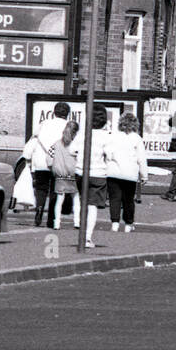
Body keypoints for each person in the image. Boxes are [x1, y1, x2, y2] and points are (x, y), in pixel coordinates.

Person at [73, 104, 112, 246]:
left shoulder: (82, 134)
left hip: (81, 171)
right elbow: (110, 155)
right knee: (93, 206)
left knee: (81, 199)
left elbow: (72, 150)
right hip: (98, 173)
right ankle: (87, 237)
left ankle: (79, 227)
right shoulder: (106, 136)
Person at [106, 112, 149, 233]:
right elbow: (141, 158)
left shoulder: (113, 136)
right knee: (128, 199)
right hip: (130, 173)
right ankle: (128, 224)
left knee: (114, 198)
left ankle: (114, 222)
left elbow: (108, 153)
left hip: (113, 172)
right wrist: (144, 175)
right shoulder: (137, 138)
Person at [29, 102, 69, 227]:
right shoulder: (68, 126)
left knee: (41, 188)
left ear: (54, 112)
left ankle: (39, 209)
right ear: (67, 114)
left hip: (41, 160)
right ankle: (51, 218)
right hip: (58, 161)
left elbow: (35, 137)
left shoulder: (44, 123)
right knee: (55, 190)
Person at [48, 119, 80, 231]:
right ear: (75, 133)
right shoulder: (75, 145)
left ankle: (57, 223)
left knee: (59, 200)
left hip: (59, 175)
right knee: (76, 198)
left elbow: (49, 159)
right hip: (72, 175)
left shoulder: (56, 144)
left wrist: (52, 169)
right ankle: (77, 221)